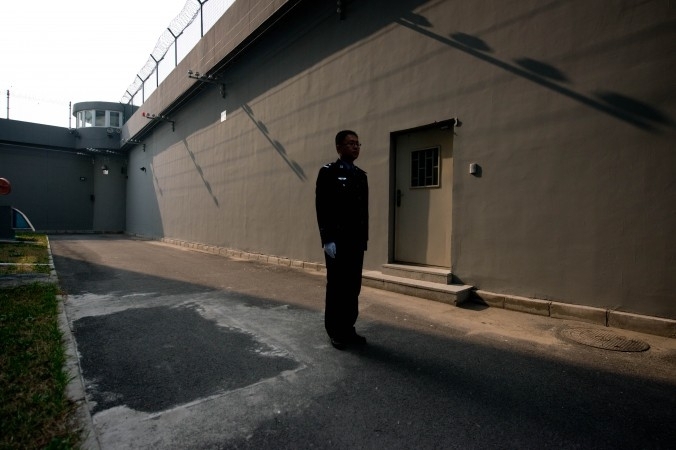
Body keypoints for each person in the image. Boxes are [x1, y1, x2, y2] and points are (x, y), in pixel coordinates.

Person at [315, 130, 369, 350]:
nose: (355, 147)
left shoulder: (361, 175)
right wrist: (327, 239)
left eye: (358, 143)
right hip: (337, 242)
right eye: (350, 143)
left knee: (353, 287)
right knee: (337, 287)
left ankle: (349, 328)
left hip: (355, 242)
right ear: (339, 147)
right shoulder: (328, 172)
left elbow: (363, 212)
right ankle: (335, 331)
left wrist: (364, 239)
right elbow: (322, 207)